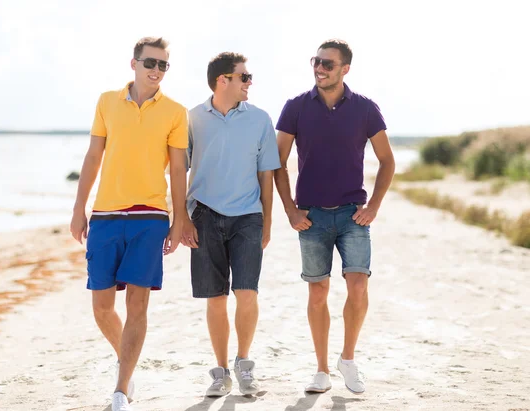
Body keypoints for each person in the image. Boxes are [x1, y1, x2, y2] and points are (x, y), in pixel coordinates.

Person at [69, 36, 189, 411]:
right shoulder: (107, 101)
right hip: (105, 216)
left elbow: (179, 170)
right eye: (150, 63)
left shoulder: (175, 111)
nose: (156, 71)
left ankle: (121, 389)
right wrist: (78, 208)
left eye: (163, 65)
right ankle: (129, 362)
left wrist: (179, 218)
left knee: (138, 305)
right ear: (133, 64)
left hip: (150, 218)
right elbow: (92, 156)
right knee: (102, 307)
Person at [274, 39, 395, 394]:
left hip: (351, 215)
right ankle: (322, 369)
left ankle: (348, 359)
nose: (320, 68)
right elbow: (277, 162)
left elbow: (387, 160)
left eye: (328, 63)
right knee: (318, 293)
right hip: (310, 217)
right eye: (316, 61)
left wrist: (373, 206)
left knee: (358, 287)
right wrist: (290, 210)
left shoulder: (365, 109)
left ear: (345, 69)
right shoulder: (295, 107)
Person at [182, 52, 280, 397]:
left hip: (248, 216)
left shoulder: (260, 119)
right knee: (215, 298)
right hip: (205, 215)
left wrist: (267, 221)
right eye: (244, 77)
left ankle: (243, 364)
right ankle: (220, 371)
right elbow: (179, 171)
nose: (249, 82)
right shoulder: (192, 118)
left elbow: (266, 174)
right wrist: (181, 217)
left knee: (247, 292)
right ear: (223, 80)